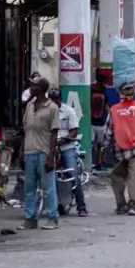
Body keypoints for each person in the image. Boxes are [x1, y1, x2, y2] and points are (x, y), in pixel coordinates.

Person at [21, 76, 59, 230]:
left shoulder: (52, 108)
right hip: (30, 151)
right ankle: (30, 218)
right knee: (29, 188)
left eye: (34, 86)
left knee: (48, 188)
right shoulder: (29, 105)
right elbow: (26, 129)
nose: (31, 88)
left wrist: (51, 156)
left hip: (44, 152)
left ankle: (52, 217)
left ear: (41, 88)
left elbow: (54, 133)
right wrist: (22, 149)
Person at [109, 82, 135, 215]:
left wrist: (103, 147)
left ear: (120, 94)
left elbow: (108, 131)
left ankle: (121, 205)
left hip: (120, 149)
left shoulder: (114, 110)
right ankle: (132, 206)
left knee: (117, 175)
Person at [49, 89, 87, 217]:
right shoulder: (46, 113)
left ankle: (82, 207)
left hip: (67, 147)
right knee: (47, 175)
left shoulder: (68, 111)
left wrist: (63, 140)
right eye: (51, 100)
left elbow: (74, 131)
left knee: (73, 174)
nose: (54, 103)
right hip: (50, 148)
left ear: (60, 100)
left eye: (56, 100)